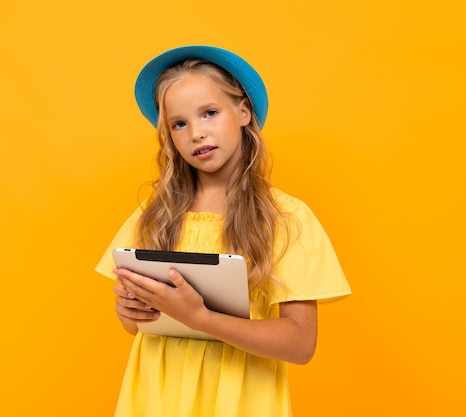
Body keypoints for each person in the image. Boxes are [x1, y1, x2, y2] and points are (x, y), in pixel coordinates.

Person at [95, 45, 351, 417]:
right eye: (179, 123)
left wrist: (201, 318)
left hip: (239, 402)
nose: (196, 133)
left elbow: (300, 344)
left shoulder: (285, 217)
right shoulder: (156, 213)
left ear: (244, 111)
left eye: (210, 113)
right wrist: (129, 311)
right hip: (157, 400)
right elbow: (134, 327)